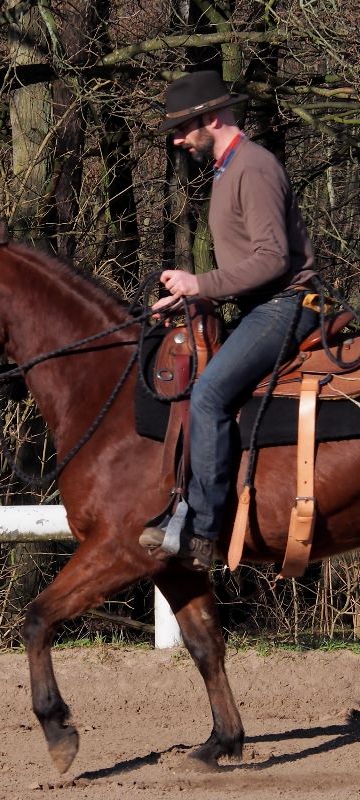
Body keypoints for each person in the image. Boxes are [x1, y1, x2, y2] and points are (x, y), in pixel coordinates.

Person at [139, 70, 319, 571]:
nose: (177, 139)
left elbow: (273, 260)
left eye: (182, 128)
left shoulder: (253, 168)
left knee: (210, 393)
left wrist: (201, 285)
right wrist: (193, 297)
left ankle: (201, 530)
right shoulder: (226, 170)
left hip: (285, 307)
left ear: (212, 118)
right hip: (260, 306)